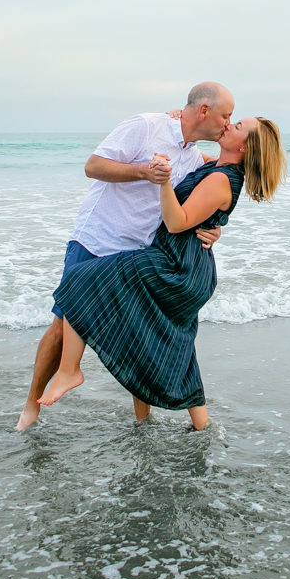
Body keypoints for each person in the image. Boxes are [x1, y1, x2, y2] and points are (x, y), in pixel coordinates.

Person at [37, 116, 286, 430]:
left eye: (237, 126)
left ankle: (70, 370)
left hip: (176, 267)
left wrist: (164, 181)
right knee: (167, 341)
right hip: (185, 263)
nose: (229, 125)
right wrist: (180, 121)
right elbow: (195, 171)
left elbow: (177, 222)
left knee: (81, 280)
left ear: (246, 146)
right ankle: (199, 425)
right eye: (230, 118)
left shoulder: (223, 178)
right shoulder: (215, 165)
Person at [15, 82, 235, 431]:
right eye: (226, 116)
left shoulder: (194, 157)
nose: (228, 124)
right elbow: (93, 165)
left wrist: (214, 227)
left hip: (137, 250)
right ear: (204, 111)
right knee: (61, 327)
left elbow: (215, 190)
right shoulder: (146, 126)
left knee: (138, 333)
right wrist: (143, 172)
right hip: (97, 238)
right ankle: (31, 408)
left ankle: (142, 422)